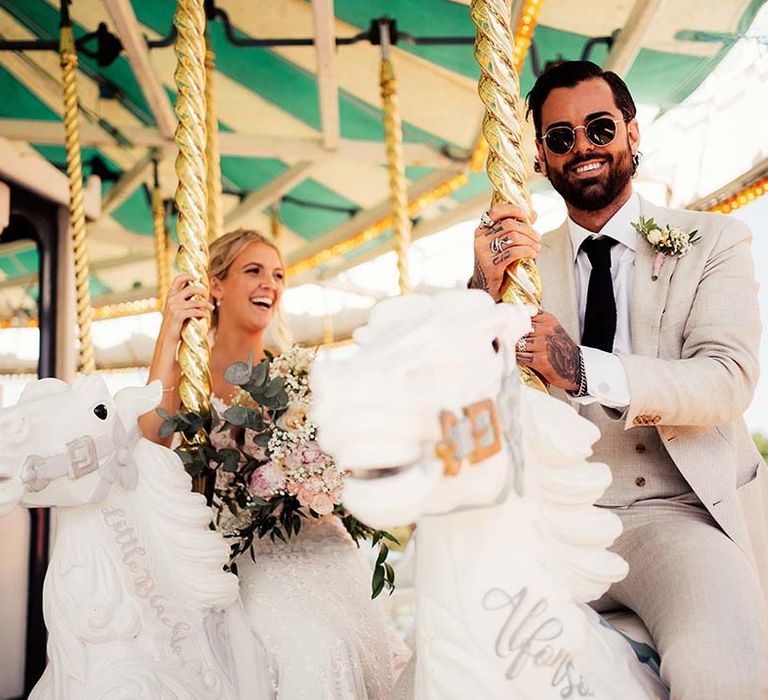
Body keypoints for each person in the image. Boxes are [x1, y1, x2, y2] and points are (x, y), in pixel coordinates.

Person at [471, 60, 768, 699]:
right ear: (543, 159)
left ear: (632, 133)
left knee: (727, 673)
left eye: (599, 127)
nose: (582, 147)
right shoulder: (521, 266)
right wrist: (479, 294)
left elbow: (726, 379)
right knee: (454, 668)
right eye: (560, 138)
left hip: (678, 514)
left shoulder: (713, 240)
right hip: (556, 521)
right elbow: (463, 402)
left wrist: (579, 368)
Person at [139, 229, 407, 699]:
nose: (270, 283)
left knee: (365, 644)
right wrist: (169, 333)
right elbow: (150, 435)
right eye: (254, 271)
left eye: (278, 274)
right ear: (215, 285)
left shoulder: (295, 373)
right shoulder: (191, 373)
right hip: (244, 545)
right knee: (316, 645)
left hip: (319, 537)